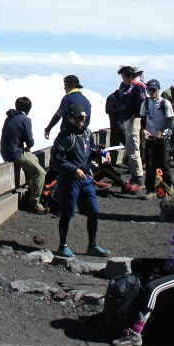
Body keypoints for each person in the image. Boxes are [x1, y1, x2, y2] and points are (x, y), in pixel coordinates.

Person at [110, 194, 174, 346]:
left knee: (152, 287)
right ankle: (135, 311)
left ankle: (136, 332)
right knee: (138, 264)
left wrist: (158, 271)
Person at [49, 103, 109, 259]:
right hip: (70, 179)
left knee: (93, 210)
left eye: (83, 118)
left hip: (86, 178)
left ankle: (92, 245)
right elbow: (56, 158)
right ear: (70, 118)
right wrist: (73, 169)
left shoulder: (87, 133)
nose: (81, 121)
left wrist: (99, 153)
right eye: (77, 118)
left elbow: (88, 152)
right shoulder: (65, 136)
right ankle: (63, 245)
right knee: (67, 213)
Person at [1, 97, 48, 214]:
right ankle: (34, 202)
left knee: (34, 159)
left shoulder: (9, 118)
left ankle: (32, 189)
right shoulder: (25, 120)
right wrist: (27, 147)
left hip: (5, 151)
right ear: (29, 109)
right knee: (40, 172)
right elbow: (30, 142)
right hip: (15, 153)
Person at [118, 66, 149, 193]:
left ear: (130, 76)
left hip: (133, 121)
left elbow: (142, 102)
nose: (123, 79)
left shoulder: (138, 86)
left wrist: (134, 115)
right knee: (130, 149)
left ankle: (139, 179)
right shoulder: (131, 86)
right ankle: (135, 176)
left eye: (124, 77)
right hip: (128, 120)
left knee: (134, 149)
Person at [142, 79, 174, 187]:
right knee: (150, 165)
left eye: (154, 90)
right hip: (150, 137)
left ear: (158, 90)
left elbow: (170, 120)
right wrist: (143, 129)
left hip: (163, 138)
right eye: (149, 89)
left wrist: (160, 132)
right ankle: (150, 189)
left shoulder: (165, 103)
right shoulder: (145, 103)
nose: (152, 92)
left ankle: (168, 188)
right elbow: (142, 117)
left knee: (164, 164)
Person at [44, 74, 91, 139]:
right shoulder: (87, 101)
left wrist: (48, 129)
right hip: (82, 136)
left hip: (67, 136)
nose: (64, 88)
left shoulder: (67, 98)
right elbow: (88, 120)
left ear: (73, 85)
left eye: (65, 85)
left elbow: (58, 115)